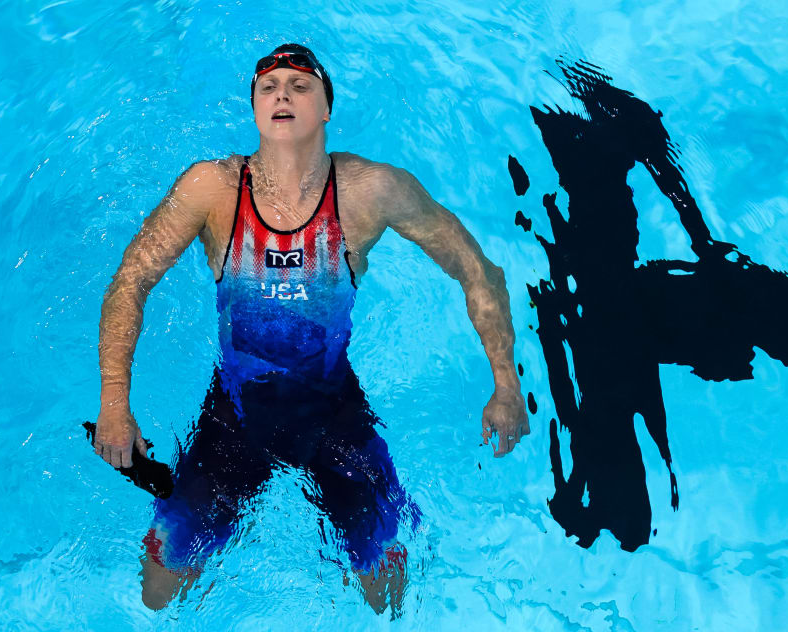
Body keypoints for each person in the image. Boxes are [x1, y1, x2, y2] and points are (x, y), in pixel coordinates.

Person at [93, 44, 530, 614]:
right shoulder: (212, 189)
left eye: (300, 86)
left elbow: (476, 268)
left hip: (332, 413)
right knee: (159, 587)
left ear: (327, 108)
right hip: (236, 410)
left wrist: (505, 384)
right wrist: (113, 401)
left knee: (387, 594)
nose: (282, 94)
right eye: (269, 86)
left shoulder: (371, 191)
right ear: (253, 108)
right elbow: (130, 279)